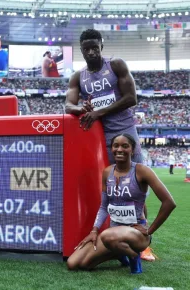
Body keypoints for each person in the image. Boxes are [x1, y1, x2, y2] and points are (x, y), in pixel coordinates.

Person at [65, 28, 155, 260]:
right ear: (82, 51)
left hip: (125, 133)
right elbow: (68, 106)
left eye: (95, 47)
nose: (92, 51)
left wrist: (98, 112)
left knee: (135, 186)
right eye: (87, 48)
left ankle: (142, 242)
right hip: (100, 140)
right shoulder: (78, 77)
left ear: (101, 46)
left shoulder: (115, 65)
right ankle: (116, 237)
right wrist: (82, 109)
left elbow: (131, 98)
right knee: (114, 190)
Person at [67, 134, 176, 273]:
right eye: (116, 145)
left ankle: (133, 255)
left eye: (125, 146)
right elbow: (104, 207)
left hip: (136, 234)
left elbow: (169, 202)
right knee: (75, 263)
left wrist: (149, 230)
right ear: (111, 149)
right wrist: (94, 231)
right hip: (113, 235)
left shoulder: (142, 171)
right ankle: (120, 253)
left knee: (107, 235)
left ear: (132, 149)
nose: (120, 149)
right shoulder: (107, 172)